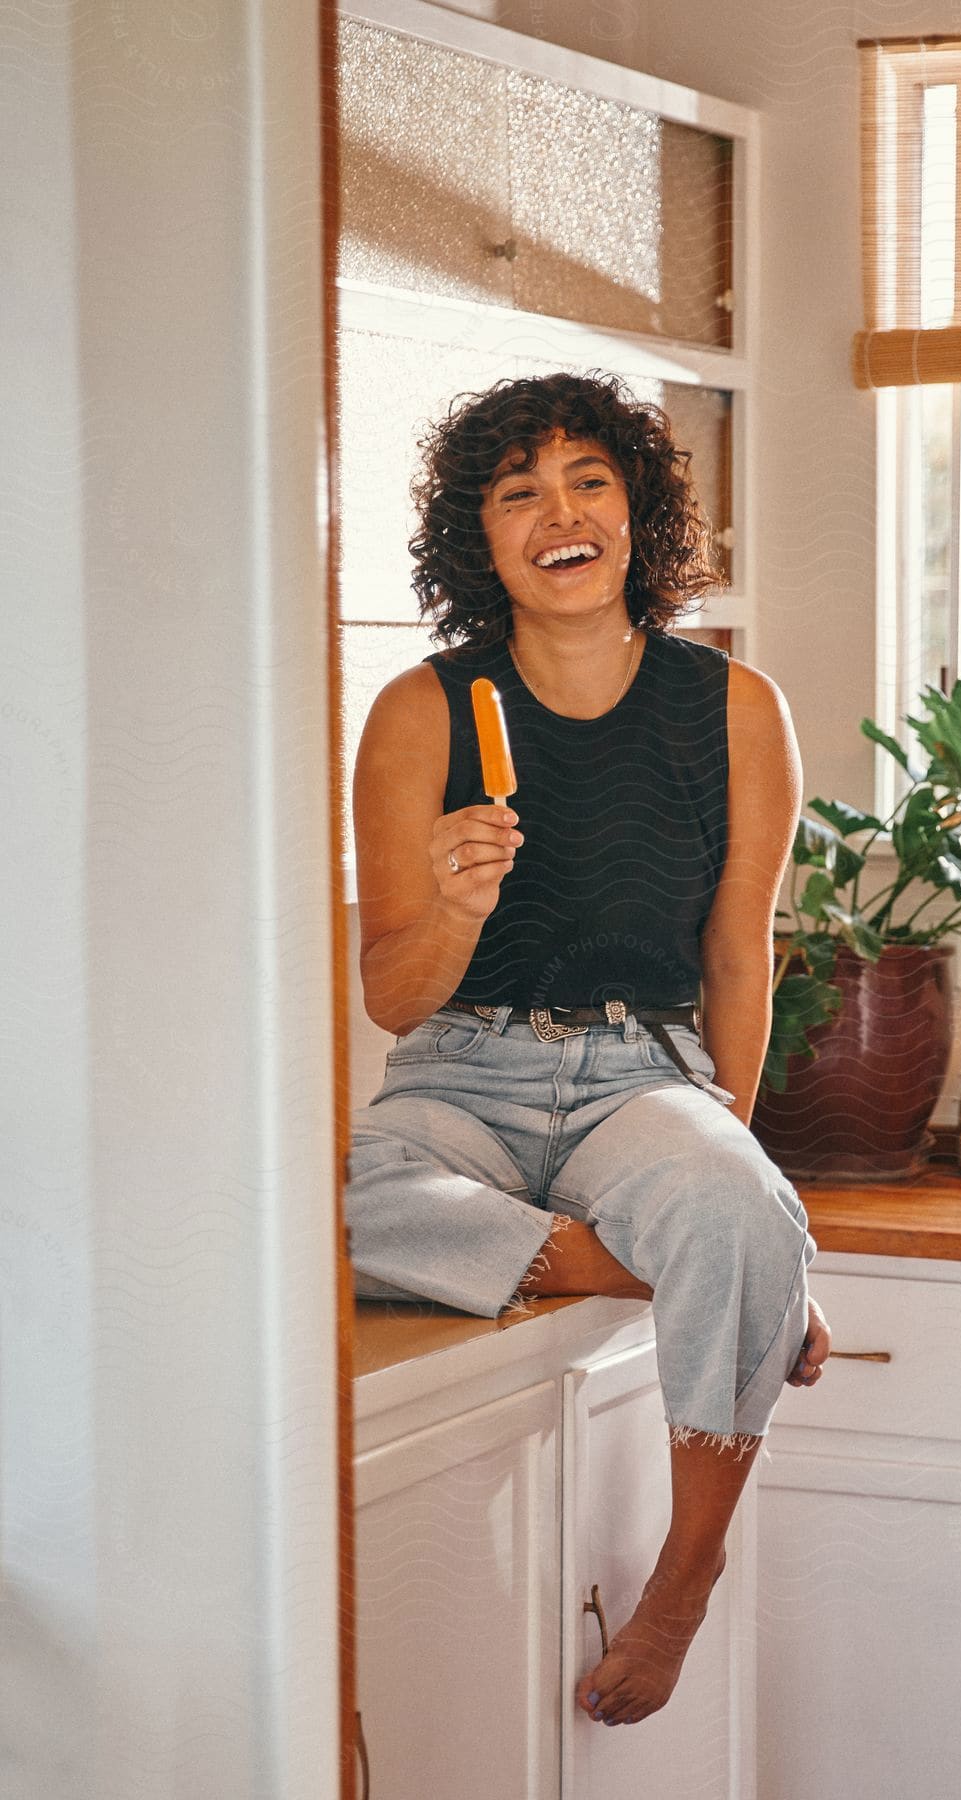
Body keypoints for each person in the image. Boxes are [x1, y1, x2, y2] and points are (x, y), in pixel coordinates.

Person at [344, 370, 832, 1730]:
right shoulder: (419, 714)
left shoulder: (734, 711)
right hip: (460, 1079)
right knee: (317, 1206)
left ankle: (685, 1571)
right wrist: (454, 907)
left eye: (588, 481)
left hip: (644, 1075)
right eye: (518, 493)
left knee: (724, 1197)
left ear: (637, 509)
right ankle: (722, 1270)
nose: (558, 513)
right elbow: (393, 997)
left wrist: (727, 1161)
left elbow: (741, 957)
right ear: (478, 537)